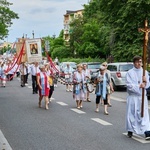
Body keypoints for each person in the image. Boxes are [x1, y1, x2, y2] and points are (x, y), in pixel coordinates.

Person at [126, 56, 150, 140]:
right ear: (134, 63)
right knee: (132, 114)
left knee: (144, 114)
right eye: (137, 62)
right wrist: (139, 85)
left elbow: (147, 85)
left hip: (142, 97)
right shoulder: (129, 72)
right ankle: (130, 130)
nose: (139, 63)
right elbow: (129, 85)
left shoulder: (145, 72)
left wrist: (145, 81)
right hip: (133, 97)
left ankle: (147, 132)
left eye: (140, 62)